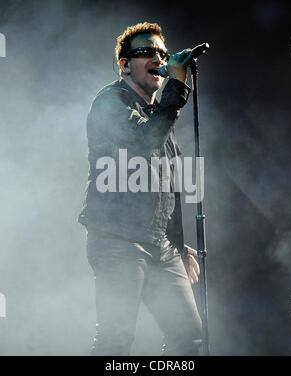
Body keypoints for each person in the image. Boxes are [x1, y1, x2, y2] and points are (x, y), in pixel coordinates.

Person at [78, 22, 202, 356]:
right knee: (116, 342)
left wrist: (176, 241)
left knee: (188, 339)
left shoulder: (156, 112)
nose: (159, 57)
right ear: (125, 64)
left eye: (162, 53)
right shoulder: (109, 102)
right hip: (117, 239)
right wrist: (177, 86)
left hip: (159, 244)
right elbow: (145, 140)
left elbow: (169, 184)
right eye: (147, 51)